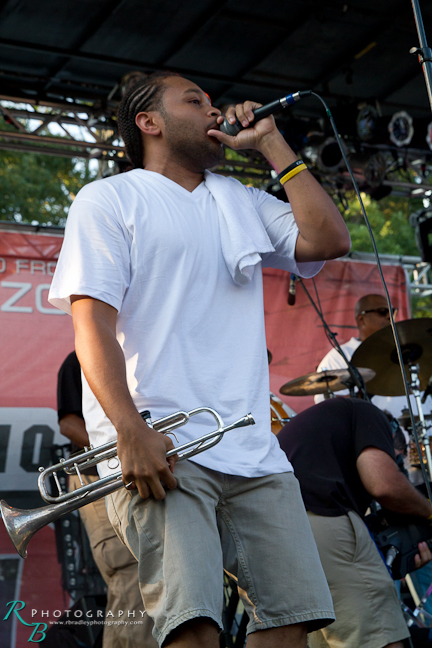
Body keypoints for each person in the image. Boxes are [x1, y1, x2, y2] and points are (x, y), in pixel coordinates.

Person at [49, 71, 351, 648]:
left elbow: (328, 240)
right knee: (193, 626)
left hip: (254, 453)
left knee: (293, 621)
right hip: (162, 443)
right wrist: (129, 430)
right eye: (195, 101)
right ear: (149, 122)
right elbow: (92, 324)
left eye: (213, 102)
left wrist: (272, 143)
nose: (215, 111)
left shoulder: (240, 199)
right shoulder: (110, 198)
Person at [277, 397, 432, 648]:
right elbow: (384, 484)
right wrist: (429, 512)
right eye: (396, 459)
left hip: (266, 534)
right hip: (316, 520)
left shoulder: (318, 432)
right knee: (379, 639)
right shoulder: (369, 415)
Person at [57, 351, 157, 648]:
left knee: (144, 572)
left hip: (141, 470)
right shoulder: (80, 358)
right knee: (130, 570)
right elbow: (69, 424)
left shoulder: (145, 352)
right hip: (98, 477)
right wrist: (128, 446)